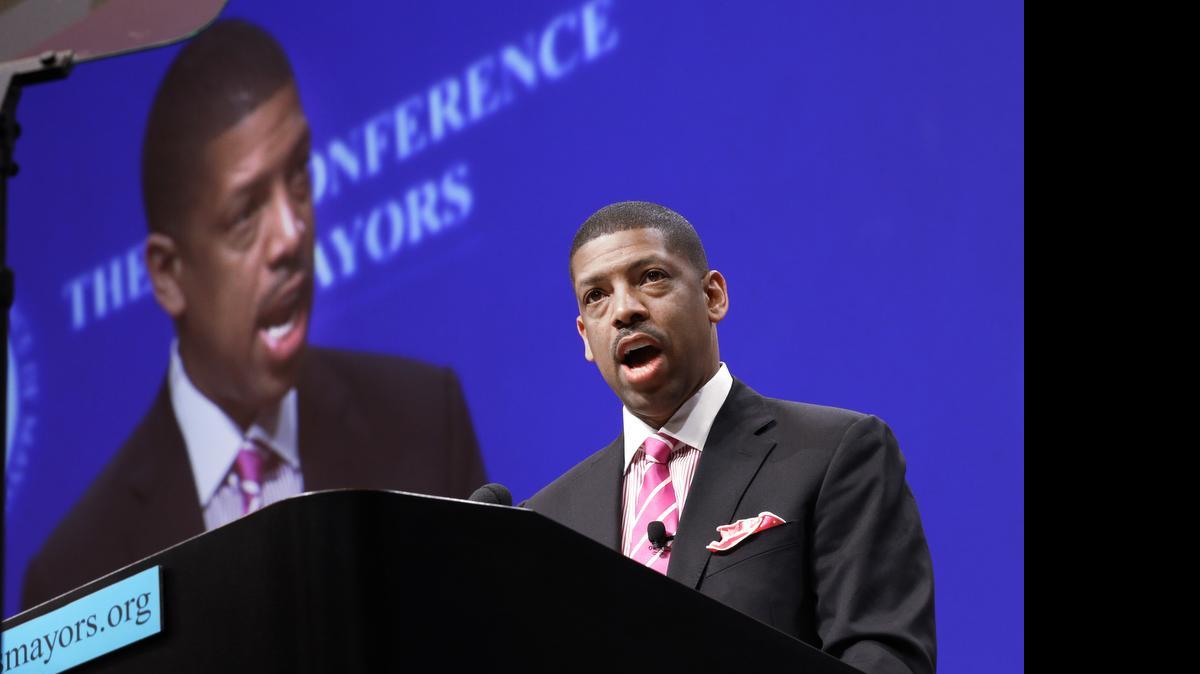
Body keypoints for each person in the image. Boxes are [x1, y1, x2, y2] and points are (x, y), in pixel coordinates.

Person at [21, 19, 486, 609]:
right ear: (168, 274)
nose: (291, 235)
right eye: (245, 214)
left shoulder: (425, 422)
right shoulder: (75, 571)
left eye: (298, 176)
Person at [525, 201, 936, 674]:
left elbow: (881, 658)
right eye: (596, 295)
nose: (624, 310)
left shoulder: (835, 453)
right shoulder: (546, 524)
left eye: (651, 276)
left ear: (713, 296)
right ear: (584, 336)